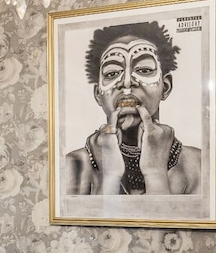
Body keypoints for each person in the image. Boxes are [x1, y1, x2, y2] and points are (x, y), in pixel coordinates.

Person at [65, 21, 201, 195]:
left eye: (144, 69)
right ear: (98, 94)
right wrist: (109, 176)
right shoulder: (73, 165)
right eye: (112, 73)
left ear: (165, 87)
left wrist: (155, 172)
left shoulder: (199, 164)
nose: (127, 81)